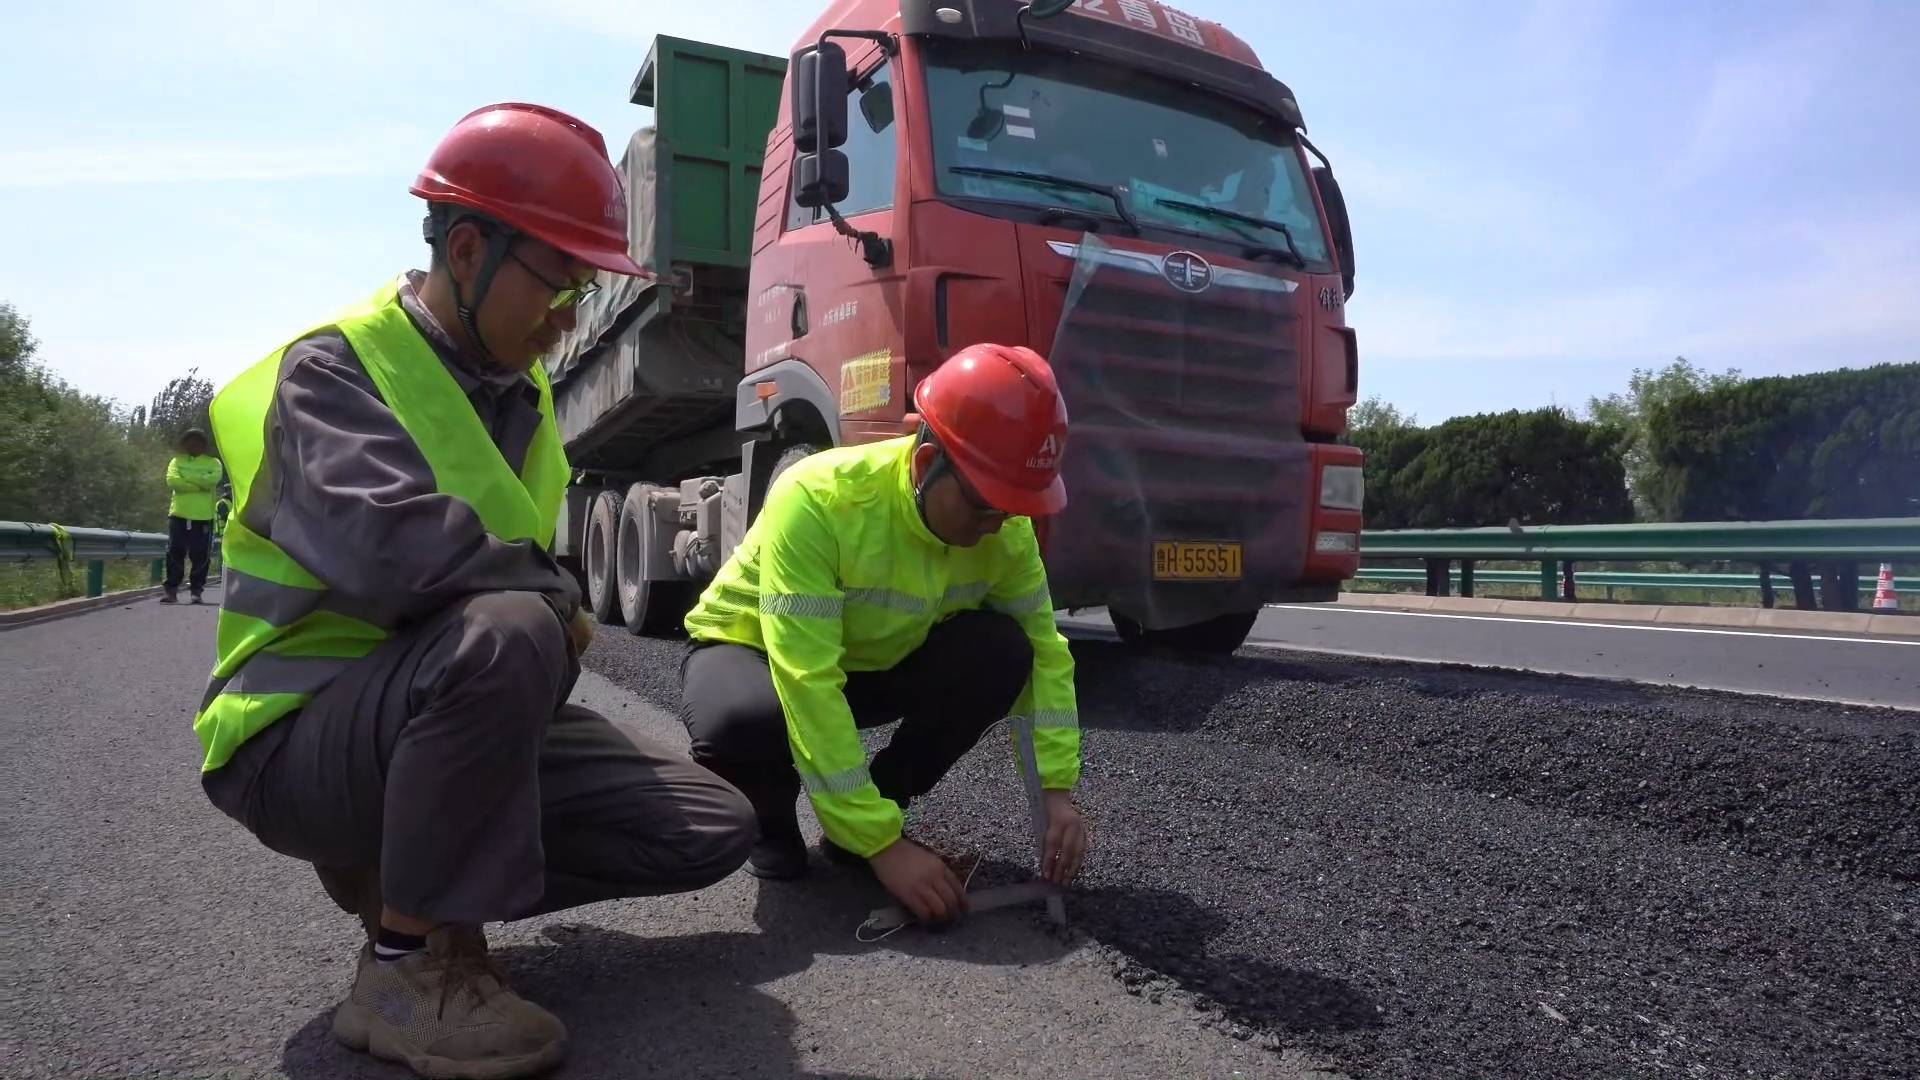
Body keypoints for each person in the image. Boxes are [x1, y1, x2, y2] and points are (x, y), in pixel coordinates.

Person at [195, 103, 754, 1080]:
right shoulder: (332, 369)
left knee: (712, 827)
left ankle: (403, 867)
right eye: (562, 284)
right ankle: (409, 968)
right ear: (466, 250)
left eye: (587, 290)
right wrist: (553, 596)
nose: (573, 317)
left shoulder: (524, 398)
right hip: (296, 736)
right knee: (513, 628)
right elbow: (389, 551)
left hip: (428, 710)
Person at [679, 343, 1089, 927]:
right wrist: (886, 848)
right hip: (753, 652)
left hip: (868, 661)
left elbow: (1047, 653)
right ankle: (771, 820)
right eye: (982, 508)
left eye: (1010, 510)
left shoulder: (1003, 528)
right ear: (926, 466)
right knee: (742, 720)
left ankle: (867, 816)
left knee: (1002, 652)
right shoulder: (819, 498)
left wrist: (1057, 789)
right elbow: (807, 676)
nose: (995, 526)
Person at [161, 428, 223, 604]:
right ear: (184, 443)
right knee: (174, 552)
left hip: (203, 516)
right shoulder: (176, 461)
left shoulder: (214, 463)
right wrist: (199, 484)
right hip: (178, 514)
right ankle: (171, 590)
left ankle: (196, 591)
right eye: (190, 440)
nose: (193, 444)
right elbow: (173, 482)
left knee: (200, 555)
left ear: (204, 445)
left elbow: (212, 480)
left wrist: (187, 479)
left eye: (197, 441)